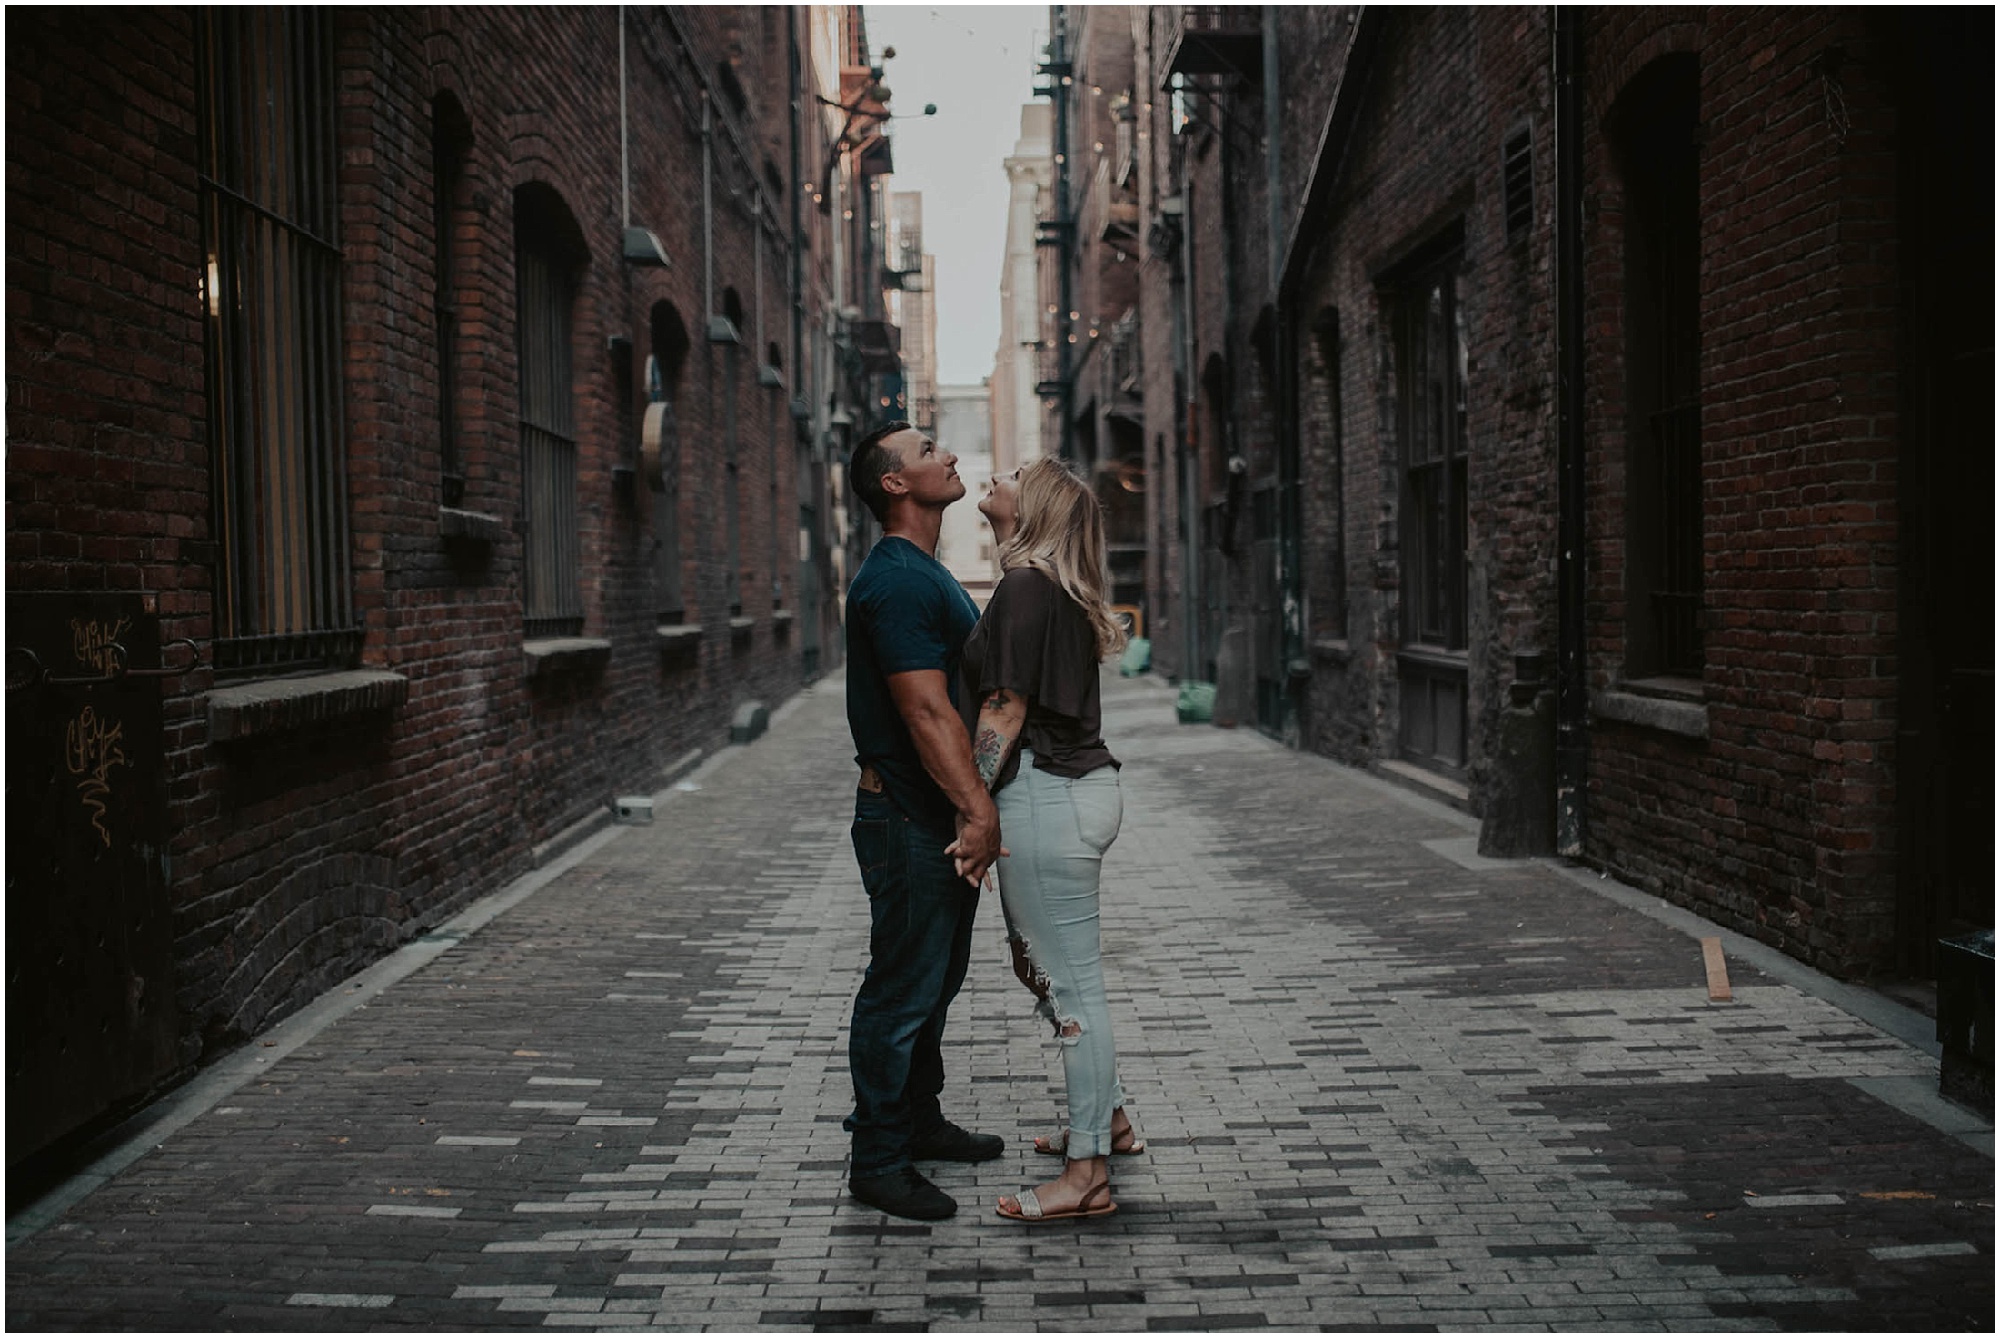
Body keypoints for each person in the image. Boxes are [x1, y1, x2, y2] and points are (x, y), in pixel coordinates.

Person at [963, 457, 1142, 1224]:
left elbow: (1002, 710)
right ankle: (1109, 1121)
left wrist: (970, 808)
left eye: (1012, 473)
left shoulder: (1027, 586)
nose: (995, 477)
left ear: (1032, 504)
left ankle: (1087, 1173)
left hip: (1047, 793)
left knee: (1070, 988)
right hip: (1067, 791)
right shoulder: (1046, 585)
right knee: (1045, 974)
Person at [841, 420, 1008, 1222]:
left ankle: (919, 1120)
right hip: (908, 817)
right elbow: (925, 710)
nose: (949, 454)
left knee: (934, 981)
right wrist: (979, 809)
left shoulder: (922, 570)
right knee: (902, 989)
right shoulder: (900, 582)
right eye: (929, 450)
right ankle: (877, 1160)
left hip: (925, 814)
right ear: (895, 484)